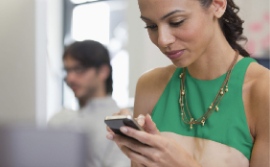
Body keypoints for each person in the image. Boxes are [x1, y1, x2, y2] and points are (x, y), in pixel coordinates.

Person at [106, 0, 269, 166]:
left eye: (176, 22)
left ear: (218, 5)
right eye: (152, 26)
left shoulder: (263, 90)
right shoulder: (149, 85)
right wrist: (137, 148)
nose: (163, 40)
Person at [48, 40, 129, 167]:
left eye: (78, 69)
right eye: (67, 71)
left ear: (103, 71)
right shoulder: (58, 119)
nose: (70, 79)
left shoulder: (120, 123)